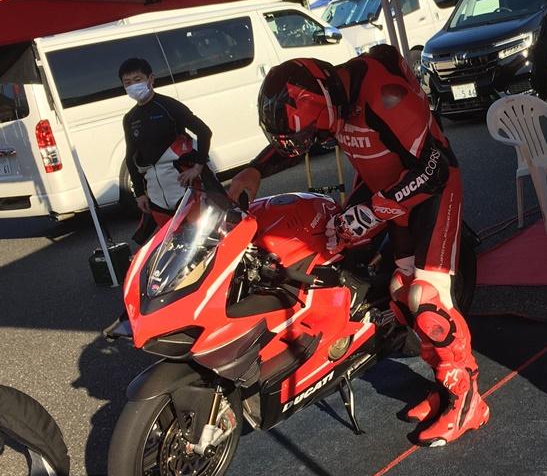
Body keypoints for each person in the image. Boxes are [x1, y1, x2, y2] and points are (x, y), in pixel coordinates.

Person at [228, 46, 490, 447]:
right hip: (387, 190)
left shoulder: (384, 96)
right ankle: (447, 384)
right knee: (401, 293)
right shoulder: (329, 97)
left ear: (323, 101)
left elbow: (435, 166)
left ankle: (467, 401)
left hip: (431, 192)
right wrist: (255, 169)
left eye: (312, 133)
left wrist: (372, 210)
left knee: (427, 299)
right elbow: (293, 142)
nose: (313, 141)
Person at [119, 58, 212, 242]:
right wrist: (139, 194)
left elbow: (204, 132)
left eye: (137, 80)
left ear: (151, 79)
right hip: (156, 195)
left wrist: (197, 167)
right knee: (172, 243)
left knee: (201, 238)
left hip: (183, 187)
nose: (133, 86)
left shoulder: (169, 106)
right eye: (127, 83)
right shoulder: (130, 118)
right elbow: (130, 157)